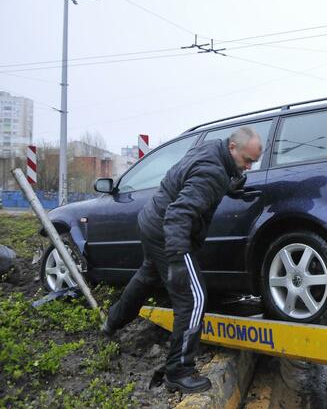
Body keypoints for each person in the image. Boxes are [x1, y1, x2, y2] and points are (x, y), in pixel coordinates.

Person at [102, 127, 262, 393]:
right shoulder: (212, 173)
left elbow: (193, 177)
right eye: (246, 161)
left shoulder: (213, 147)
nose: (248, 167)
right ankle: (179, 372)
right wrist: (177, 259)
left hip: (150, 220)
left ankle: (111, 323)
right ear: (232, 148)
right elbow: (179, 214)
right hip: (168, 229)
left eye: (252, 163)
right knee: (193, 297)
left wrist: (231, 181)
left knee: (147, 276)